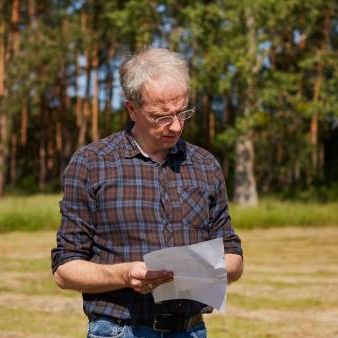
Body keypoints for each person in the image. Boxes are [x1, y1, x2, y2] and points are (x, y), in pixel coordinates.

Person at [51, 47, 243, 338]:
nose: (176, 126)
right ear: (132, 109)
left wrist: (205, 269)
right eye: (161, 117)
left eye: (183, 112)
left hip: (191, 331)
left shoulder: (206, 165)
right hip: (119, 330)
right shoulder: (91, 163)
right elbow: (64, 270)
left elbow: (234, 259)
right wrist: (124, 275)